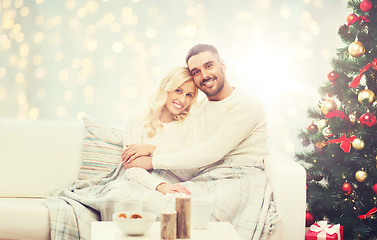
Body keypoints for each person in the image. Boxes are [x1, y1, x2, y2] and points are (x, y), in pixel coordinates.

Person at [123, 43, 278, 239]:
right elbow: (190, 149)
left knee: (198, 215)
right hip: (208, 174)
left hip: (241, 175)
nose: (204, 75)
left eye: (209, 66)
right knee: (173, 205)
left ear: (222, 65)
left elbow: (212, 150)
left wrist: (152, 157)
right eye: (196, 71)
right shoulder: (201, 108)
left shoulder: (246, 104)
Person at [44, 65, 201, 240]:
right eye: (178, 91)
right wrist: (161, 187)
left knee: (169, 204)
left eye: (189, 95)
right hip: (140, 181)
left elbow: (188, 168)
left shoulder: (190, 124)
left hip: (176, 182)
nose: (182, 99)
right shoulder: (138, 122)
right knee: (119, 197)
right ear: (166, 88)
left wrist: (152, 150)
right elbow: (132, 169)